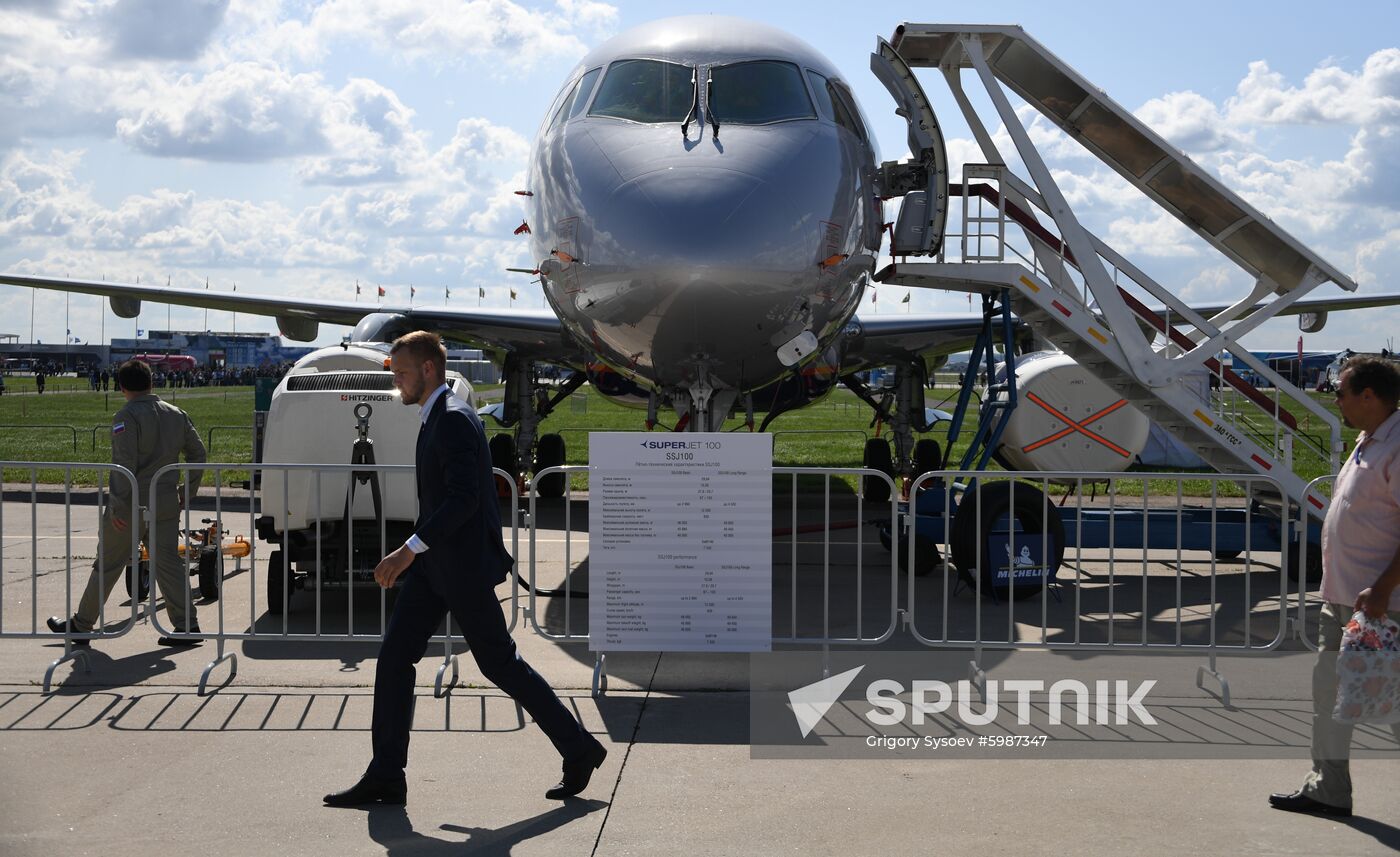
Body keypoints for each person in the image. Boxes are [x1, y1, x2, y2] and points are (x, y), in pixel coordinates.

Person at [324, 331, 605, 807]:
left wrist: (408, 549)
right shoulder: (438, 414)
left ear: (428, 369)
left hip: (459, 568)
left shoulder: (452, 419)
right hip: (438, 568)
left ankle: (578, 748)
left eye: (402, 373)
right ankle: (387, 773)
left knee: (500, 664)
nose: (397, 382)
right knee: (395, 659)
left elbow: (463, 500)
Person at [1270, 355, 1400, 818]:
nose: (1334, 399)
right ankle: (1328, 788)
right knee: (1328, 697)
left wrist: (1383, 589)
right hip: (1344, 601)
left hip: (1383, 608)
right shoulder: (1368, 441)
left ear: (1368, 396)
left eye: (1340, 392)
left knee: (1394, 704)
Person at [46, 359, 207, 647]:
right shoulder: (176, 414)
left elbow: (124, 464)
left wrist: (118, 505)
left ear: (121, 387)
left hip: (132, 503)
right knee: (168, 563)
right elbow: (198, 453)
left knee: (108, 563)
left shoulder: (126, 416)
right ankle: (187, 625)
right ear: (152, 383)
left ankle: (82, 625)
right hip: (167, 501)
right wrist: (187, 490)